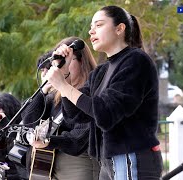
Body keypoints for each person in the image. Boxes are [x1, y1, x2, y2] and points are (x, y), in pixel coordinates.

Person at [46, 5, 163, 180]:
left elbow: (106, 113)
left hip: (131, 155)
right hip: (107, 160)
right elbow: (76, 115)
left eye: (99, 25)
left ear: (119, 28)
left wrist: (63, 86)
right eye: (91, 27)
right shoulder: (101, 72)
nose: (91, 31)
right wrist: (65, 77)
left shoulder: (136, 61)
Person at [22, 36, 99, 180]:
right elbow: (29, 120)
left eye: (66, 60)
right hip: (49, 167)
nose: (59, 66)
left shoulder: (91, 93)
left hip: (78, 166)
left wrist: (48, 141)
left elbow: (78, 140)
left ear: (82, 61)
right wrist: (43, 89)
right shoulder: (55, 95)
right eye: (56, 62)